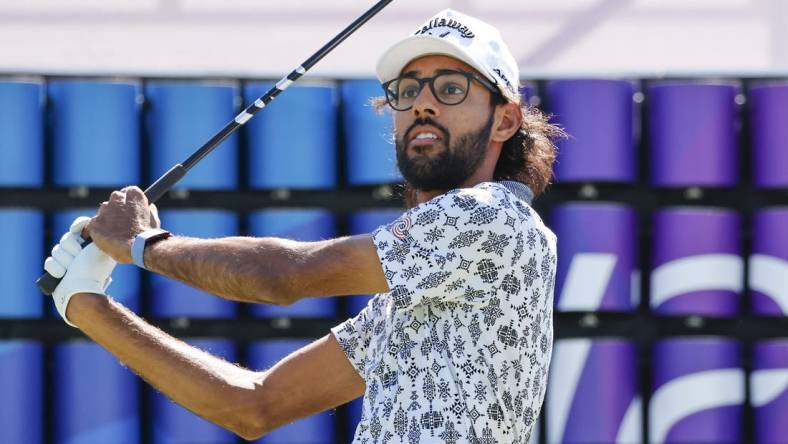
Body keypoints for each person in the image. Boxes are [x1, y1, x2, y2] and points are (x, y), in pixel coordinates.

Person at [43, 9, 563, 443]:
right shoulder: (417, 290)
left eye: (451, 88)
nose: (422, 102)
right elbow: (254, 405)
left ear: (505, 120)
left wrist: (143, 243)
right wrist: (87, 305)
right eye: (407, 89)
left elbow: (285, 277)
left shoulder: (493, 217)